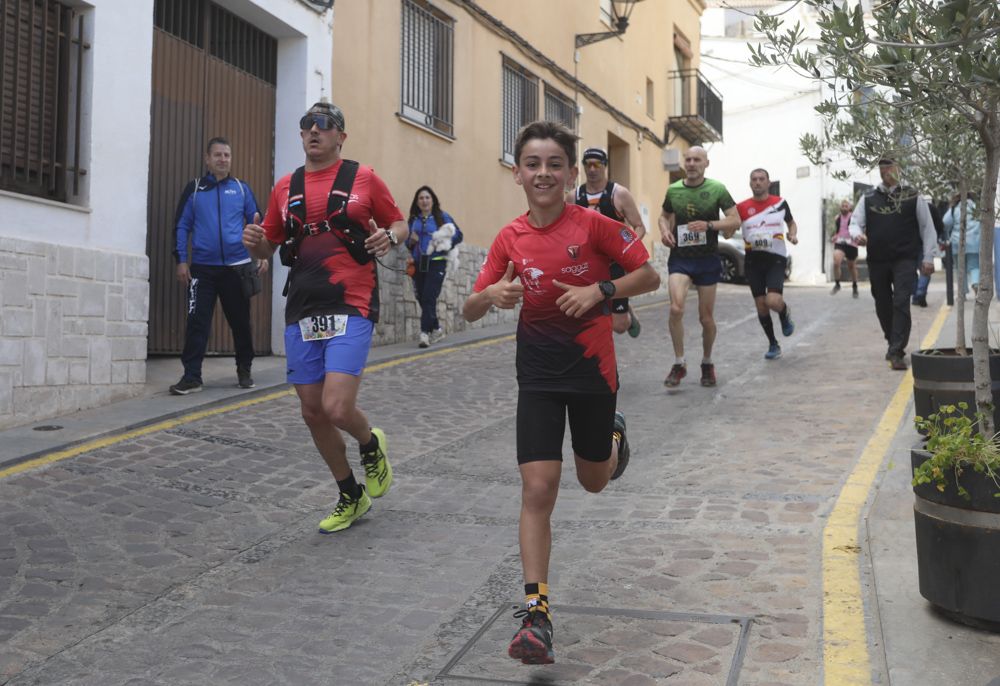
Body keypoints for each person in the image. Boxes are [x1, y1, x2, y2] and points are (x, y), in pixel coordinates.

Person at [462, 121, 660, 665]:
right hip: (540, 377)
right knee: (538, 489)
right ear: (518, 173)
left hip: (594, 374)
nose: (543, 173)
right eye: (533, 164)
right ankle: (537, 615)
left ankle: (614, 439)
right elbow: (470, 306)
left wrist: (601, 289)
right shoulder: (509, 238)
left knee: (592, 480)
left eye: (554, 164)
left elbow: (647, 275)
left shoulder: (595, 225)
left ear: (571, 174)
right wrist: (493, 295)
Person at [242, 102, 407, 533]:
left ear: (341, 136)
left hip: (351, 300)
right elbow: (269, 248)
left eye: (325, 125)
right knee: (313, 412)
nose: (314, 131)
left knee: (336, 406)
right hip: (303, 305)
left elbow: (399, 222)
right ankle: (350, 494)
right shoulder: (285, 187)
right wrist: (254, 243)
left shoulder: (363, 178)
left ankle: (371, 444)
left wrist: (389, 236)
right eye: (307, 125)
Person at [170, 137, 267, 395]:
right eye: (218, 155)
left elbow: (259, 223)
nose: (223, 159)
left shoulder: (241, 189)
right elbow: (182, 226)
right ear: (207, 159)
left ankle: (244, 370)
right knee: (197, 322)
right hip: (202, 269)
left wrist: (263, 254)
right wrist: (181, 260)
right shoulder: (194, 189)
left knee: (240, 322)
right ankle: (192, 377)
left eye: (227, 155)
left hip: (237, 268)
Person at [658, 146, 740, 387]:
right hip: (681, 259)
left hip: (707, 260)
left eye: (697, 160)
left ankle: (707, 362)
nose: (692, 163)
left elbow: (735, 219)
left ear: (706, 163)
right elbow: (663, 215)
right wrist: (664, 231)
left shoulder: (717, 189)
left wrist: (709, 225)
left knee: (706, 318)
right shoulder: (673, 190)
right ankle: (679, 362)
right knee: (675, 308)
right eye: (688, 159)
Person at [849, 157, 936, 371]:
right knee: (882, 303)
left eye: (890, 166)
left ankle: (897, 350)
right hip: (877, 260)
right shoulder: (869, 197)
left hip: (905, 259)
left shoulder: (913, 195)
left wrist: (928, 257)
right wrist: (857, 235)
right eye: (882, 167)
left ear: (899, 168)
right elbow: (855, 223)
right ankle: (892, 340)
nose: (886, 170)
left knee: (901, 301)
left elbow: (927, 228)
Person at [572, 147, 647, 338]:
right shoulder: (573, 197)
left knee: (619, 326)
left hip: (614, 266)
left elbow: (639, 227)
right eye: (588, 165)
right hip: (586, 266)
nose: (592, 169)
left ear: (605, 166)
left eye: (597, 164)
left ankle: (627, 313)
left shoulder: (619, 194)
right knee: (588, 316)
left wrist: (626, 251)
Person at [735, 168, 798, 360]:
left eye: (761, 179)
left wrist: (792, 234)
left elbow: (791, 223)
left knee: (772, 301)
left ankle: (784, 311)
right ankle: (773, 343)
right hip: (753, 260)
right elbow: (731, 224)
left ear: (768, 183)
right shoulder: (741, 207)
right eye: (754, 179)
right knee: (761, 306)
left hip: (775, 258)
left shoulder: (779, 203)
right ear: (750, 183)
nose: (758, 182)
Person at [406, 186, 463, 348]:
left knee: (429, 297)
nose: (424, 201)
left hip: (437, 262)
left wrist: (445, 244)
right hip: (419, 263)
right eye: (421, 198)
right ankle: (437, 328)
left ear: (433, 200)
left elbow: (459, 235)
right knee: (422, 298)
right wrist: (412, 241)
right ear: (417, 202)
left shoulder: (442, 217)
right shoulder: (413, 220)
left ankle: (424, 334)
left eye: (427, 198)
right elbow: (407, 243)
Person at [942, 191, 981, 296]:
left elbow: (945, 222)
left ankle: (962, 293)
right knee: (974, 266)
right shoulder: (977, 207)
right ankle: (975, 283)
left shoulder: (954, 209)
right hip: (974, 242)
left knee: (960, 268)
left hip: (957, 242)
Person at [911, 199, 946, 307]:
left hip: (910, 243)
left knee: (910, 270)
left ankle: (916, 294)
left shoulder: (909, 206)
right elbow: (940, 226)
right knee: (926, 268)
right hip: (925, 242)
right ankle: (920, 292)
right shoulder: (932, 208)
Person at [830, 199, 860, 298]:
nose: (844, 207)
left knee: (851, 267)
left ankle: (855, 285)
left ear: (850, 208)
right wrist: (835, 236)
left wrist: (859, 237)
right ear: (840, 207)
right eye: (842, 206)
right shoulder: (837, 218)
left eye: (846, 206)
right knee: (836, 262)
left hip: (852, 244)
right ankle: (837, 284)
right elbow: (838, 230)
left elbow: (858, 228)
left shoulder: (854, 217)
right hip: (840, 242)